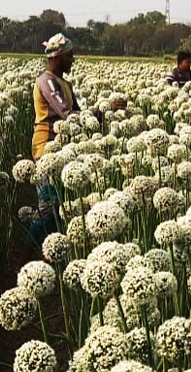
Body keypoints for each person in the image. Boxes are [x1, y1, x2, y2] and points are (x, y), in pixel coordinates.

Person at [28, 33, 125, 247]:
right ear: (57, 57)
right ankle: (32, 248)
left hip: (63, 148)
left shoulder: (63, 83)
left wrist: (105, 112)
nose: (73, 60)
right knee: (48, 204)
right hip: (47, 147)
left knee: (59, 203)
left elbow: (79, 114)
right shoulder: (47, 81)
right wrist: (104, 108)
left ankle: (50, 248)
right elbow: (68, 114)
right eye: (69, 56)